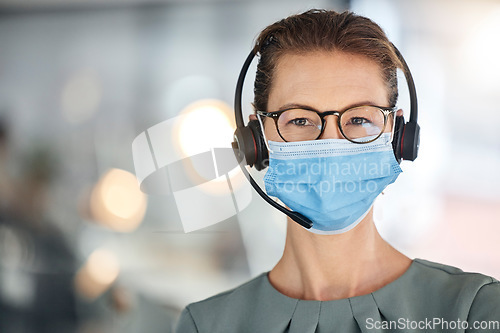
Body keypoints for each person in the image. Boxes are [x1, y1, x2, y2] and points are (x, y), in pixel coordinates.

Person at [175, 9, 500, 333]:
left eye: (359, 119)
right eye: (300, 120)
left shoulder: (473, 310)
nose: (331, 144)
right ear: (256, 138)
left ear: (398, 136)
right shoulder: (206, 325)